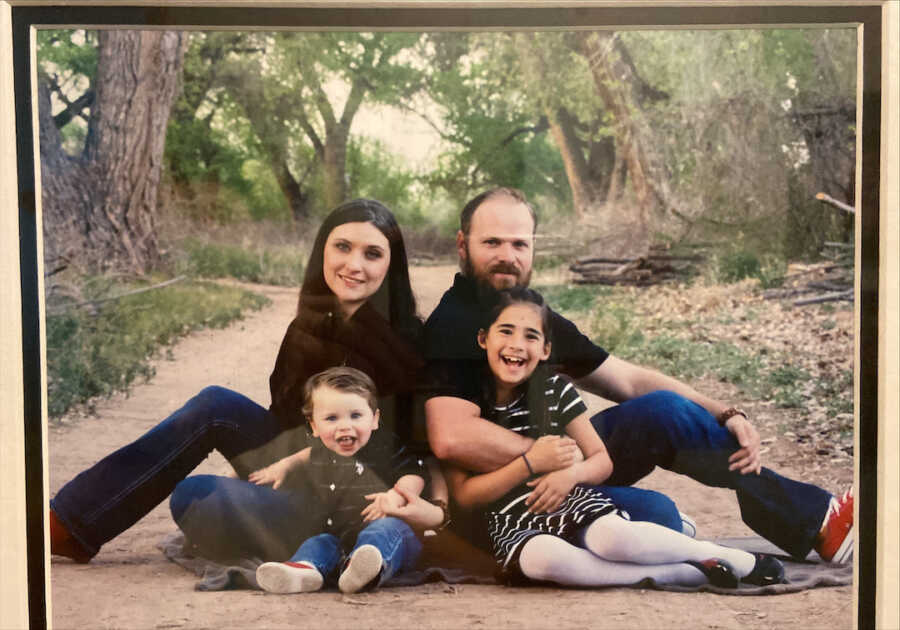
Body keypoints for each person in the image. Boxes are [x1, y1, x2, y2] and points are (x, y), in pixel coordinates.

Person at [425, 187, 853, 564]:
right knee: (659, 514)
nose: (507, 256)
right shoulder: (454, 325)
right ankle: (654, 523)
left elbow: (628, 381)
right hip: (492, 496)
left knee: (663, 410)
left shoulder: (528, 317)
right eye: (492, 242)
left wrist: (723, 411)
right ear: (463, 245)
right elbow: (451, 437)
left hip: (552, 473)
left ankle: (817, 521)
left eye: (519, 243)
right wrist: (556, 456)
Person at [49, 199, 431, 564]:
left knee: (195, 497)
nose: (354, 264)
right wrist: (250, 469)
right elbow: (281, 418)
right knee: (215, 407)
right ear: (323, 252)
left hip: (350, 492)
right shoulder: (307, 326)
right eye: (343, 247)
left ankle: (318, 542)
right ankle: (70, 523)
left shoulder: (404, 340)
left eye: (372, 253)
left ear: (391, 265)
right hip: (294, 468)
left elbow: (407, 448)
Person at [443, 287, 784, 587]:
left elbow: (601, 459)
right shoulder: (466, 403)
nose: (517, 345)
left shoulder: (553, 390)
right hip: (507, 521)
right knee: (542, 562)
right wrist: (530, 463)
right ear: (483, 339)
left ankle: (726, 558)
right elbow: (466, 498)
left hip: (569, 500)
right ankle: (683, 572)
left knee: (614, 539)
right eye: (506, 332)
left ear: (547, 350)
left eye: (531, 336)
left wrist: (569, 476)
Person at [254, 367, 446, 595]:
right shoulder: (323, 449)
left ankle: (367, 568)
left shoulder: (383, 447)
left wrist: (395, 495)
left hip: (394, 531)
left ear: (374, 419)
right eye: (332, 418)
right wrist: (283, 466)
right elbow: (306, 454)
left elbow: (414, 473)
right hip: (341, 536)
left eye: (356, 416)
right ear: (314, 426)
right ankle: (304, 571)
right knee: (319, 543)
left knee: (383, 531)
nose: (345, 426)